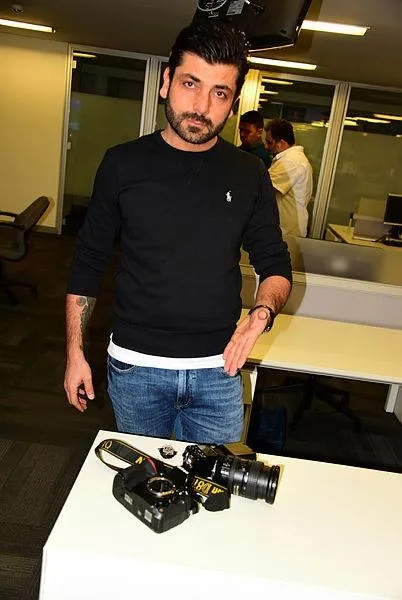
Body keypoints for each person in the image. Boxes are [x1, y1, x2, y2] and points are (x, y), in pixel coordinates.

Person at [64, 20, 292, 444]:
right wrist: (75, 353)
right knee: (148, 478)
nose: (201, 106)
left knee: (217, 479)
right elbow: (88, 263)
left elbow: (275, 262)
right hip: (136, 367)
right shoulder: (122, 164)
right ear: (167, 81)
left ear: (233, 102)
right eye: (191, 83)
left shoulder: (249, 173)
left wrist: (262, 312)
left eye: (219, 93)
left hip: (219, 368)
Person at [265, 118, 313, 237]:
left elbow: (261, 186)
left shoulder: (290, 161)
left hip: (287, 232)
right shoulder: (293, 159)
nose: (266, 146)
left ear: (281, 143)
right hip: (287, 229)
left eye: (269, 142)